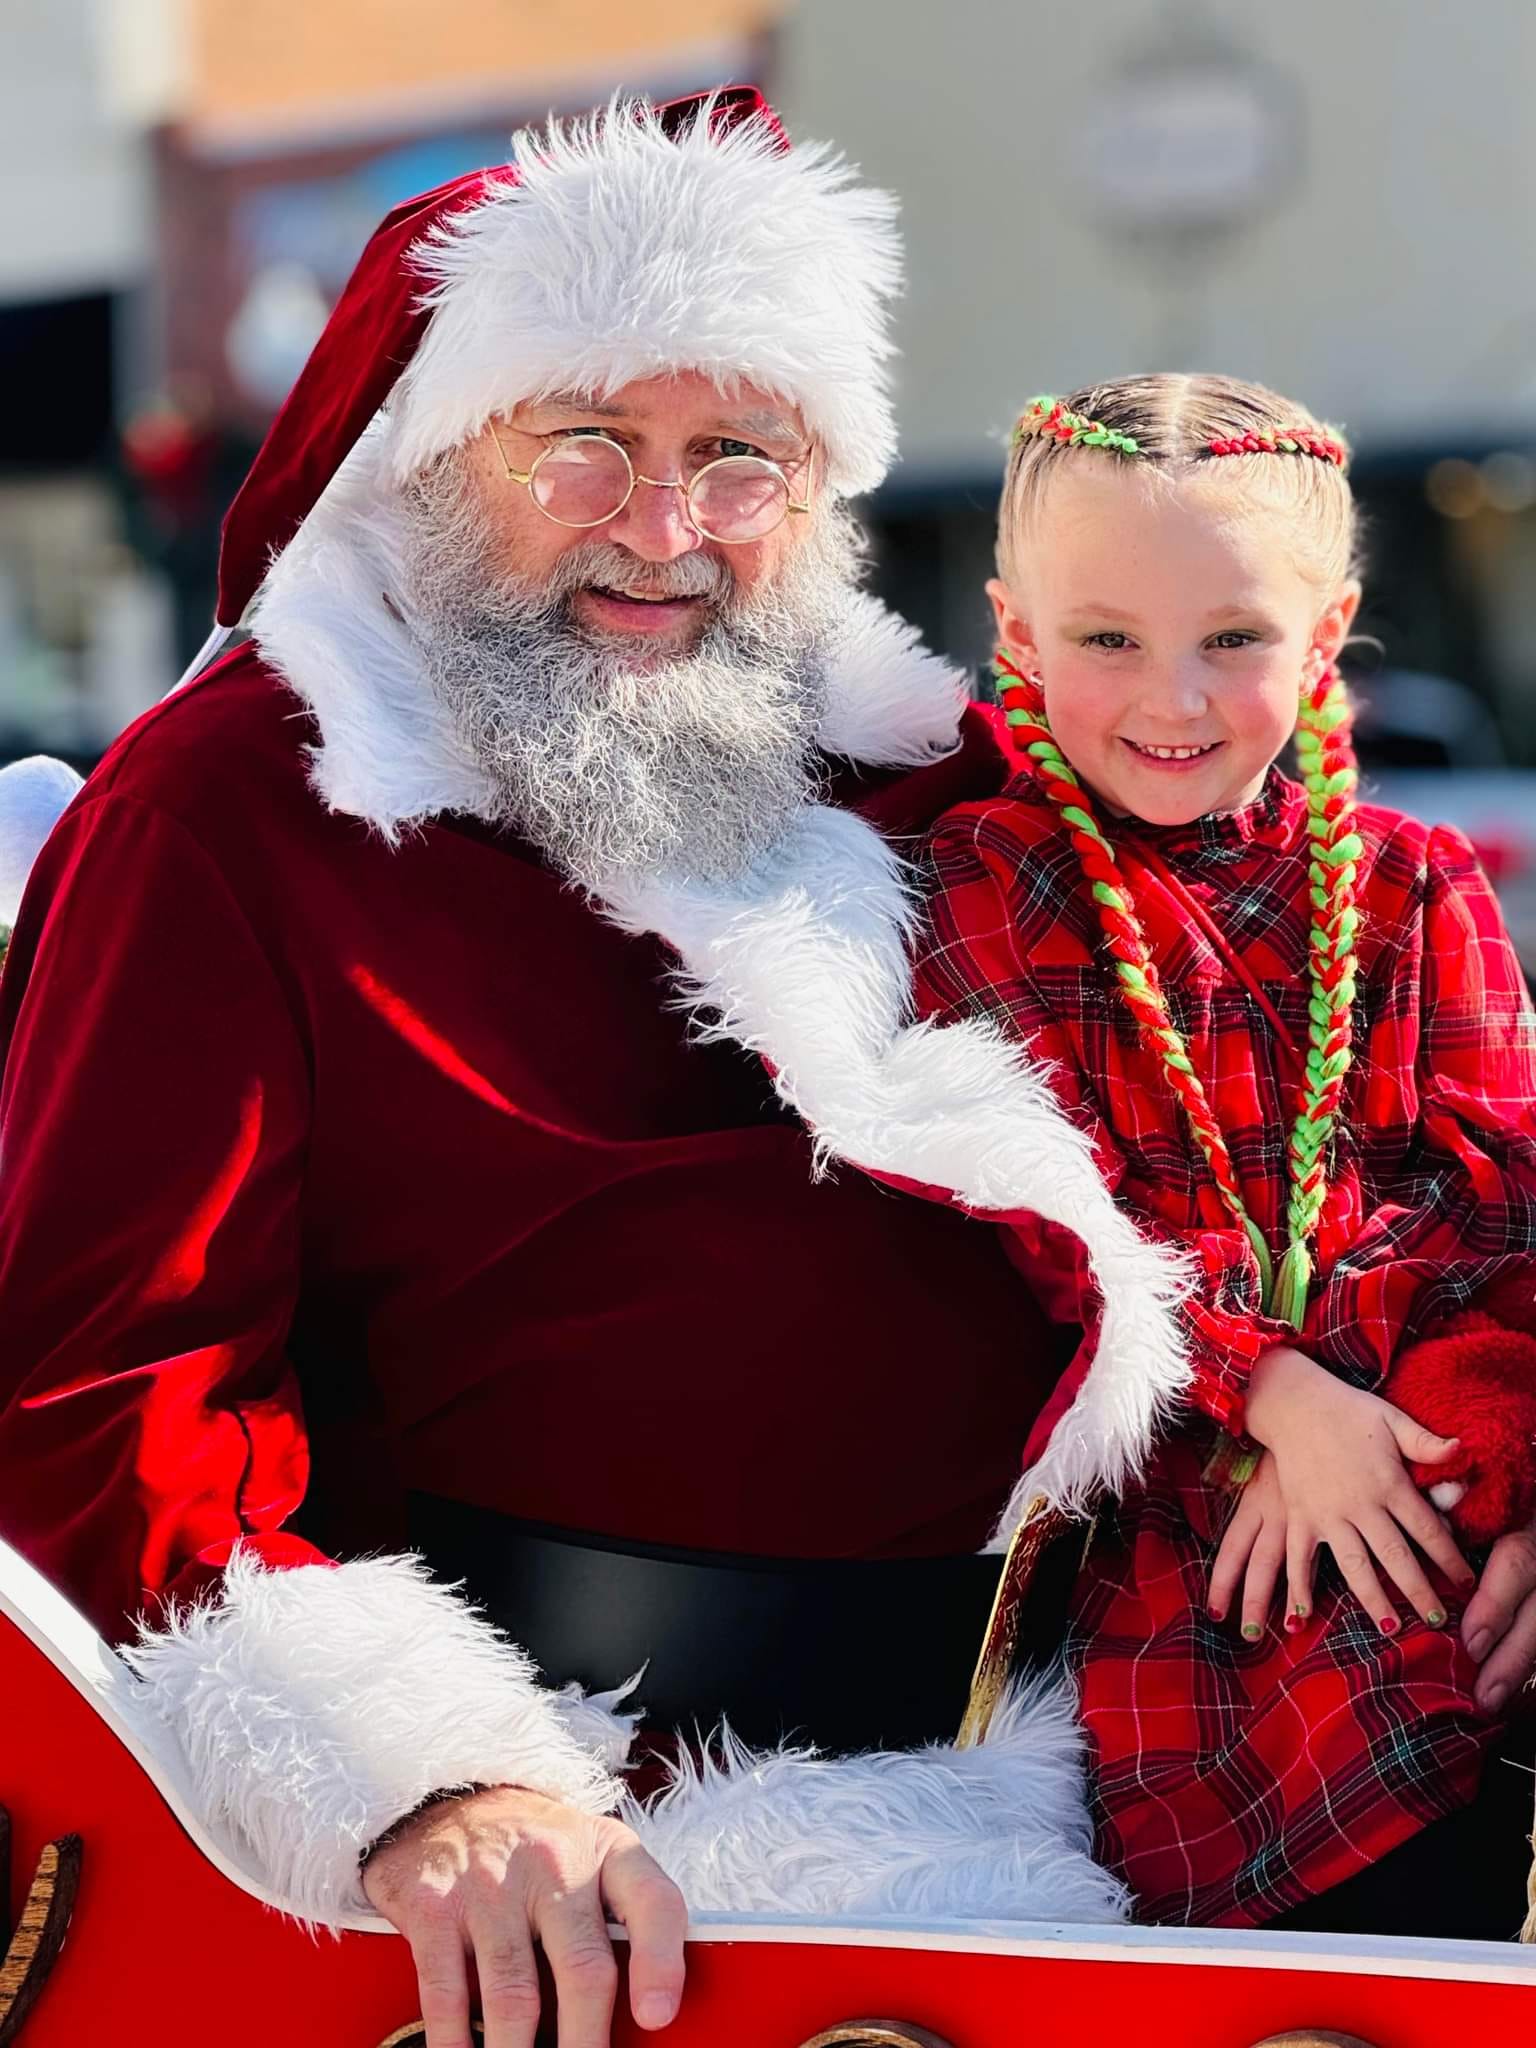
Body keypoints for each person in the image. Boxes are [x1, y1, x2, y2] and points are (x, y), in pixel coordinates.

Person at [0, 88, 1099, 2048]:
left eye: (735, 458)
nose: (666, 532)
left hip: (1076, 1824)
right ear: (434, 459)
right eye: (586, 443)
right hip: (568, 1883)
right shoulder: (235, 808)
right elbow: (99, 1386)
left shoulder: (949, 788)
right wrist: (423, 1775)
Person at [897, 375, 1536, 1931]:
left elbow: (1502, 1213)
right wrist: (1275, 1393)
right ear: (1017, 633)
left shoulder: (1415, 888)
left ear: (1326, 639)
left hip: (1416, 1508)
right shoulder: (979, 885)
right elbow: (1047, 1229)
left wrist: (1492, 1463)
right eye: (1108, 639)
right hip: (1139, 1537)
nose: (1172, 700)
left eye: (1233, 640)